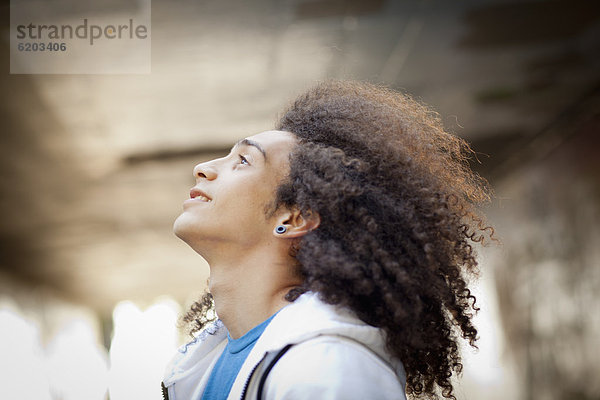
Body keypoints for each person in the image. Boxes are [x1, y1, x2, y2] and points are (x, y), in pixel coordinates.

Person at [162, 81, 493, 400]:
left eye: (243, 161)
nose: (203, 168)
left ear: (293, 219)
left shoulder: (328, 369)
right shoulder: (204, 361)